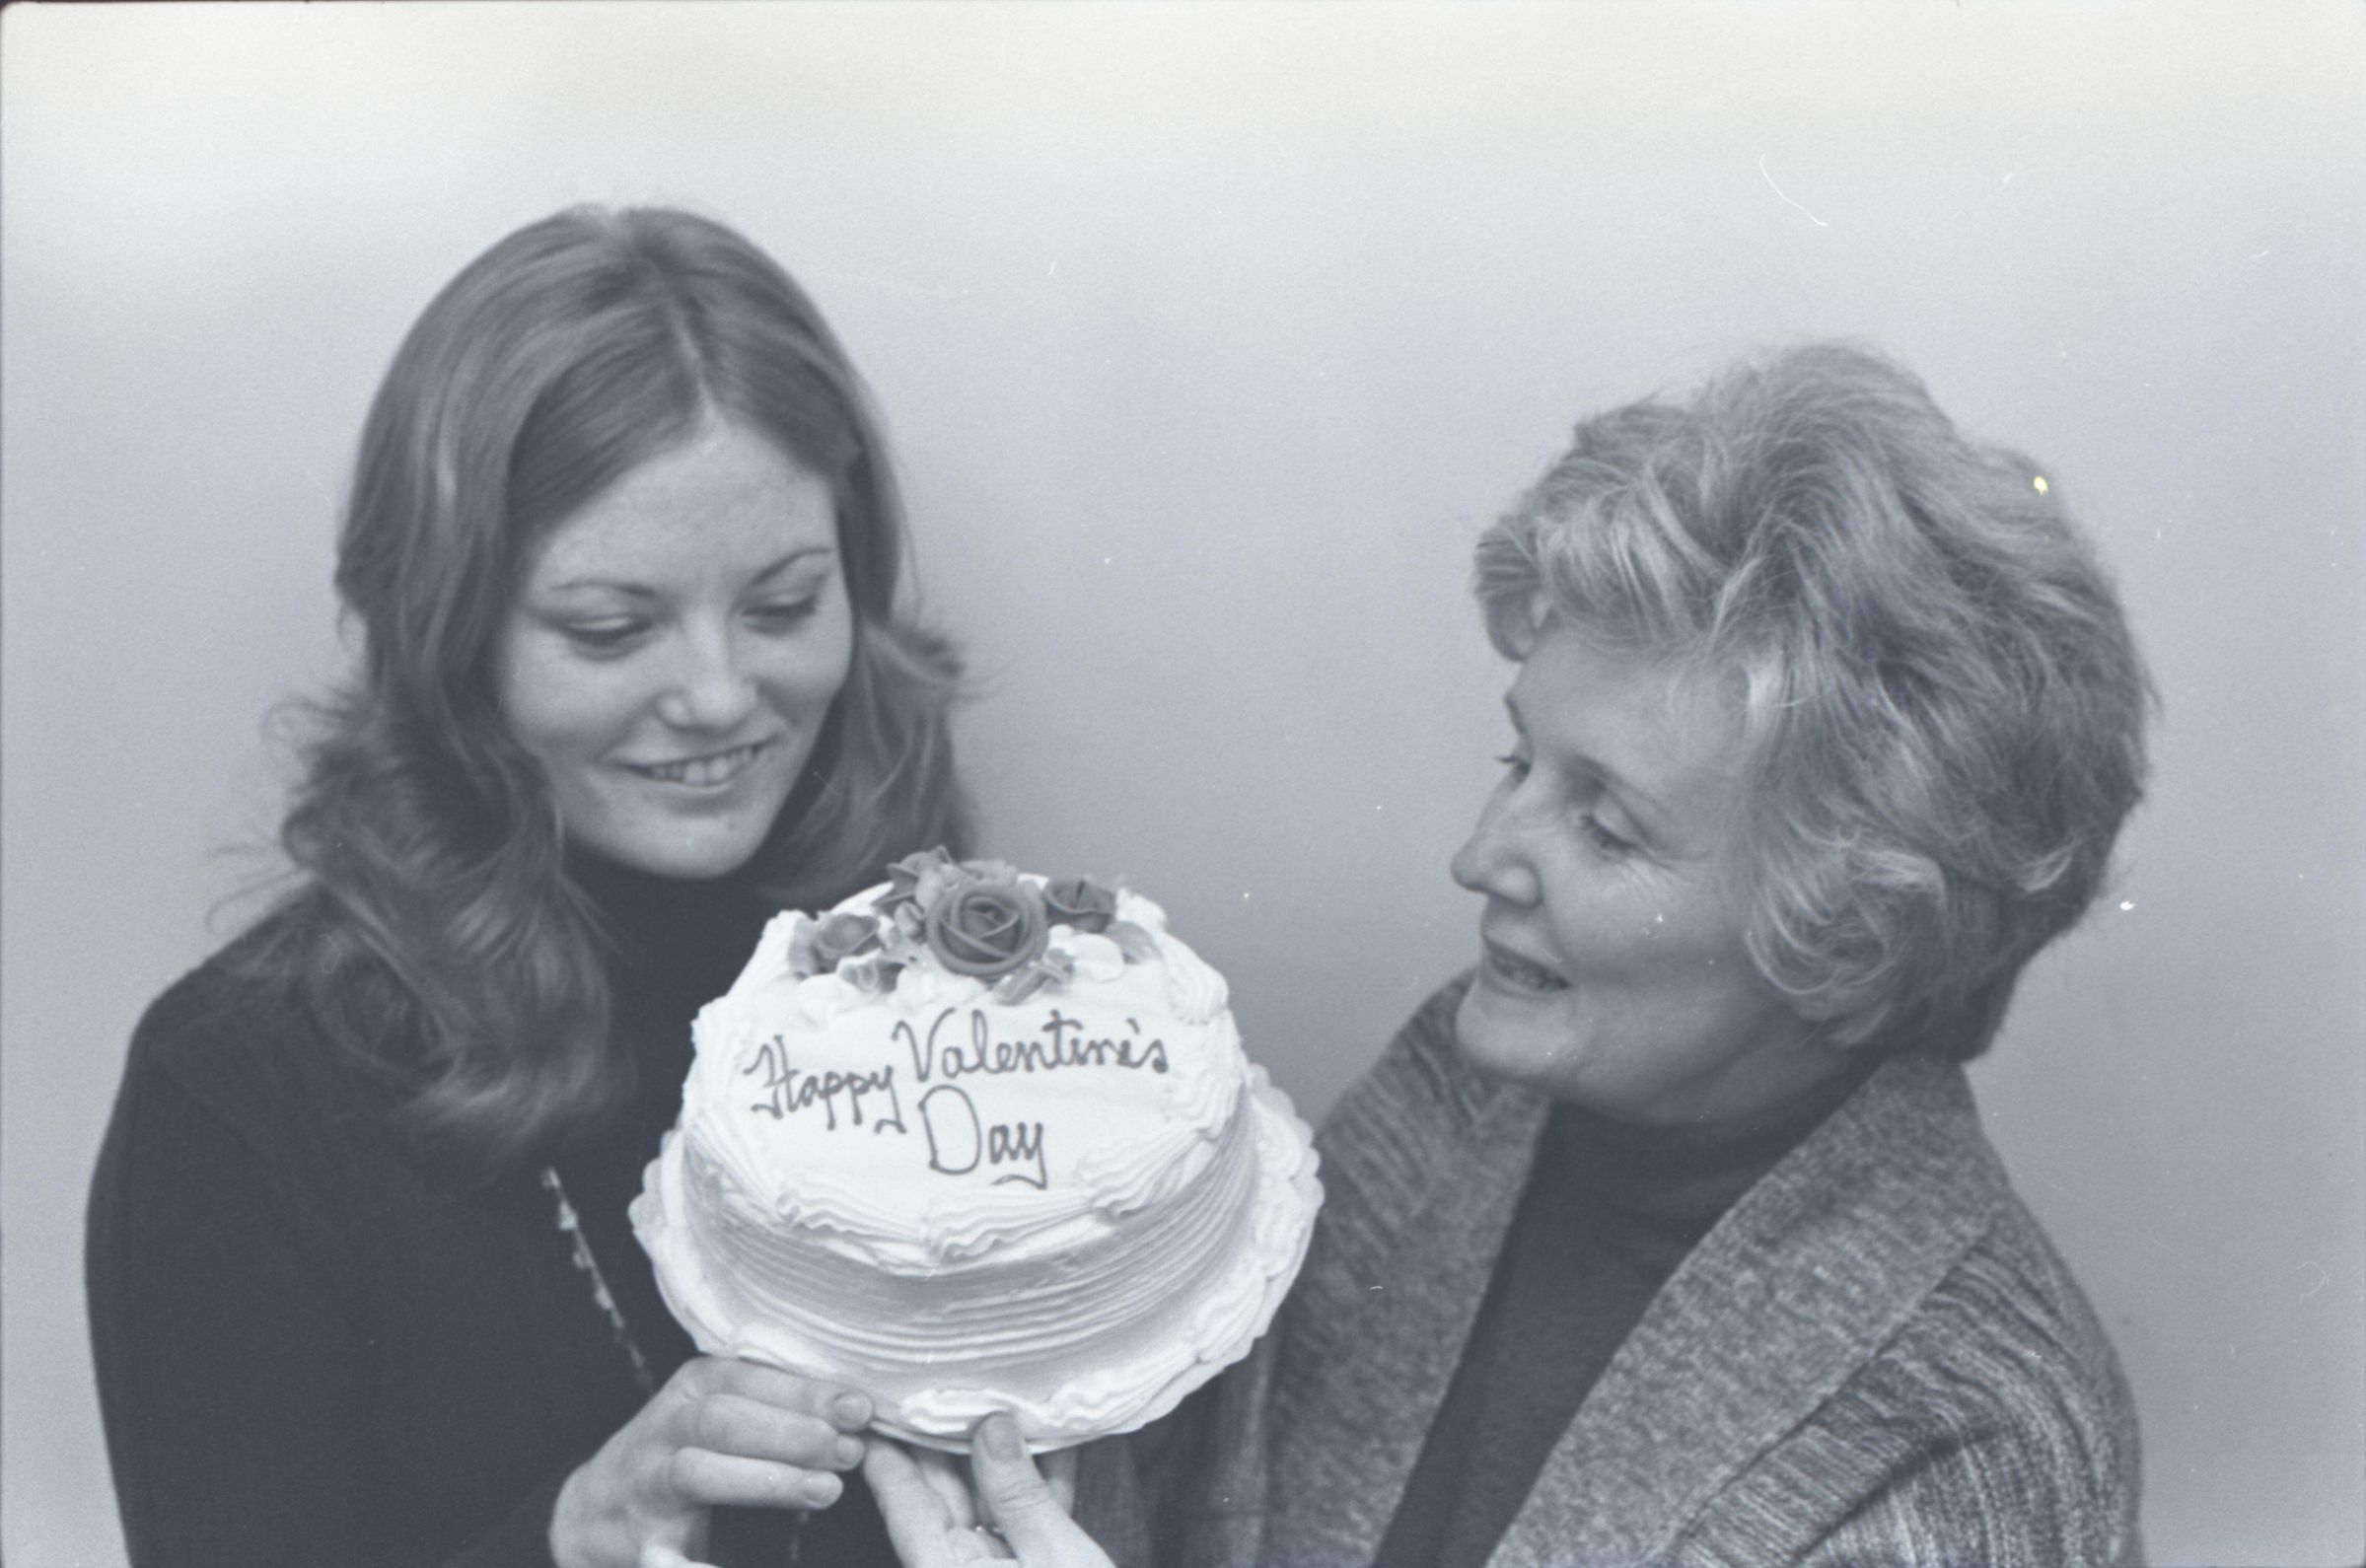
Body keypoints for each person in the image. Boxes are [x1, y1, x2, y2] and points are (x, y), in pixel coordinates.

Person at [866, 343, 2152, 1566]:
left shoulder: (1973, 1442)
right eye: (1517, 760)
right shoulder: (1463, 1086)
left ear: (1852, 931)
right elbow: (1215, 1514)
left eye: (1606, 826)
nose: (1481, 856)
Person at [87, 206, 968, 1568]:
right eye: (611, 628)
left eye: (785, 604)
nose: (720, 695)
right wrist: (574, 1537)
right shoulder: (238, 1096)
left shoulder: (924, 963)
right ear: (451, 641)